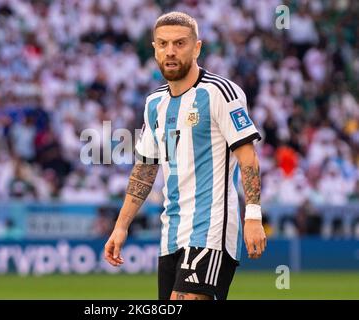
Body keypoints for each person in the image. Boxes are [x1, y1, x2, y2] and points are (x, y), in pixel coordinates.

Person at [104, 12, 266, 300]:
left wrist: (253, 216)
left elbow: (248, 157)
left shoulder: (219, 92)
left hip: (212, 227)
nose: (170, 51)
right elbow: (145, 169)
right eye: (163, 44)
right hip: (172, 232)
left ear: (197, 47)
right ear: (154, 48)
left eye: (179, 43)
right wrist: (121, 227)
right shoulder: (154, 103)